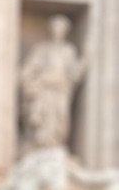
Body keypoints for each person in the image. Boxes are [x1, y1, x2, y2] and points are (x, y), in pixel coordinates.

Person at [19, 14, 87, 151]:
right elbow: (28, 69)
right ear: (50, 29)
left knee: (59, 119)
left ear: (65, 31)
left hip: (61, 90)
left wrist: (86, 59)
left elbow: (74, 74)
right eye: (55, 27)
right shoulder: (42, 49)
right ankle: (40, 147)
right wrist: (31, 82)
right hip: (44, 88)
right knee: (42, 119)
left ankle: (54, 145)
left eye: (61, 28)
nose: (57, 31)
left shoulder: (69, 51)